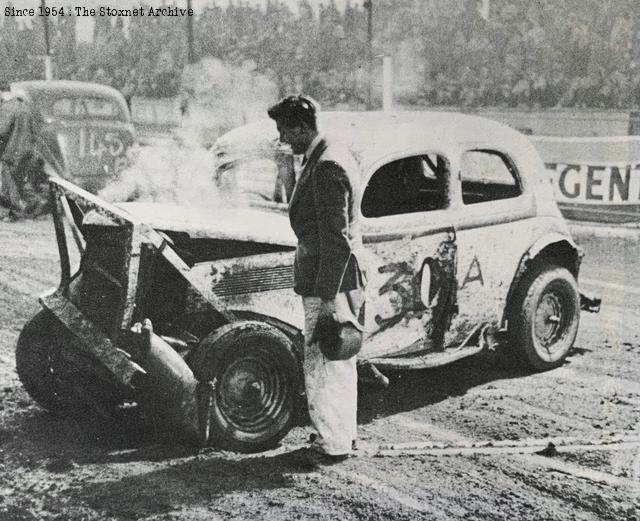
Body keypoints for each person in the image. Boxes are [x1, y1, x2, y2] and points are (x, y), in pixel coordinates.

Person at [267, 95, 365, 464]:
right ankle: (342, 436)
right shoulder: (328, 155)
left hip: (328, 280)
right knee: (339, 360)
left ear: (302, 127)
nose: (282, 138)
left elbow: (334, 241)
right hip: (336, 278)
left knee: (324, 361)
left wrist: (326, 299)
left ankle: (332, 444)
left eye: (285, 130)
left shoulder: (326, 167)